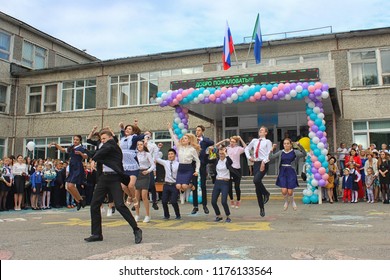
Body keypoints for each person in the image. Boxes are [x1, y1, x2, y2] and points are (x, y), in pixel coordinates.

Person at [84, 129, 142, 244]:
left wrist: (94, 159)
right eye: (101, 139)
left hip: (115, 178)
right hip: (103, 179)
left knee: (120, 205)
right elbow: (98, 153)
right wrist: (85, 153)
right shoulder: (104, 147)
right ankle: (96, 234)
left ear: (110, 137)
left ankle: (136, 229)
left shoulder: (112, 145)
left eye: (104, 138)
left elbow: (102, 151)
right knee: (94, 204)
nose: (103, 141)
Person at [50, 135, 88, 210]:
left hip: (78, 167)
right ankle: (79, 200)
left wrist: (80, 153)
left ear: (80, 140)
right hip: (72, 167)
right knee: (68, 187)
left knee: (70, 185)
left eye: (77, 140)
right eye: (74, 139)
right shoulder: (71, 147)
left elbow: (86, 157)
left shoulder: (82, 148)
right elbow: (63, 150)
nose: (75, 141)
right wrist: (55, 144)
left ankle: (80, 200)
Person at [269, 138, 306, 210]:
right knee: (284, 191)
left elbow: (304, 154)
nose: (286, 145)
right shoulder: (280, 152)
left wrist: (300, 146)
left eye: (287, 143)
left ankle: (292, 201)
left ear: (291, 144)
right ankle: (286, 202)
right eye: (284, 144)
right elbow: (271, 157)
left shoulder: (294, 152)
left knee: (290, 192)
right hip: (282, 171)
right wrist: (272, 148)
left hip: (291, 171)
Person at [244, 126, 272, 217]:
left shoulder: (267, 142)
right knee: (257, 188)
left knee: (256, 180)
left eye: (262, 130)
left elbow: (269, 154)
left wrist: (264, 162)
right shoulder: (254, 141)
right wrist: (249, 157)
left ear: (266, 133)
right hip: (256, 162)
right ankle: (261, 208)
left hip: (264, 162)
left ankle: (266, 193)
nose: (260, 131)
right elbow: (247, 149)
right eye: (259, 130)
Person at [167, 122, 200, 193]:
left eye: (186, 138)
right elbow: (173, 137)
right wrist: (170, 129)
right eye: (183, 138)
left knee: (184, 186)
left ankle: (191, 185)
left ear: (189, 141)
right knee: (178, 186)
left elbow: (197, 161)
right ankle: (188, 186)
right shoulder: (179, 147)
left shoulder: (192, 149)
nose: (184, 139)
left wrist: (197, 171)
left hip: (188, 168)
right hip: (181, 168)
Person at [119, 121, 146, 207]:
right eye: (127, 129)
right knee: (123, 186)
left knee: (131, 186)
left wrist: (145, 139)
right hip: (124, 164)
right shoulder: (123, 138)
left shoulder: (133, 138)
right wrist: (122, 127)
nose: (127, 130)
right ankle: (130, 196)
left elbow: (143, 135)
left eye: (129, 129)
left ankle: (134, 198)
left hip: (133, 164)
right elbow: (122, 132)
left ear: (132, 131)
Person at [215, 136, 247, 208]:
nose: (231, 143)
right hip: (229, 169)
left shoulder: (238, 148)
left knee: (237, 187)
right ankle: (232, 200)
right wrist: (224, 140)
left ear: (236, 142)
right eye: (231, 141)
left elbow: (246, 148)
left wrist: (241, 139)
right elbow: (216, 146)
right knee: (229, 187)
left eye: (233, 142)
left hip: (237, 169)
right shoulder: (227, 148)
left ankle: (238, 200)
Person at [193, 125, 214, 214]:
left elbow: (212, 142)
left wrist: (201, 140)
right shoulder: (192, 140)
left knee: (203, 185)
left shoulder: (205, 140)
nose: (197, 132)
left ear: (202, 131)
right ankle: (195, 206)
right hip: (193, 164)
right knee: (194, 185)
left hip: (202, 164)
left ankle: (204, 205)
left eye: (199, 130)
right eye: (196, 130)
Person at [211, 147, 236, 223]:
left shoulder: (227, 161)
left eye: (223, 153)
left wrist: (226, 154)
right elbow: (209, 159)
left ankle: (228, 216)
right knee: (213, 201)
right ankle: (218, 215)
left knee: (223, 201)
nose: (221, 155)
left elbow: (231, 162)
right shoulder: (217, 161)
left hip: (225, 182)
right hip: (217, 182)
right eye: (220, 153)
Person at [156, 148, 181, 220]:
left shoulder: (178, 164)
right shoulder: (165, 162)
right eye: (169, 154)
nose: (170, 155)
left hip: (174, 184)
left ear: (175, 155)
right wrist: (158, 148)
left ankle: (177, 214)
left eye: (172, 154)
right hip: (166, 184)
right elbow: (156, 158)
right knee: (164, 201)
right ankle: (166, 215)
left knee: (173, 201)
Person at [134, 140, 155, 223]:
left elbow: (153, 165)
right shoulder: (135, 154)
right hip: (137, 174)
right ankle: (137, 214)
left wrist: (148, 171)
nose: (139, 146)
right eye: (138, 144)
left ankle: (147, 215)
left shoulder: (147, 154)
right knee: (136, 196)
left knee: (144, 196)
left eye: (141, 144)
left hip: (145, 173)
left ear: (144, 145)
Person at [144, 130, 159, 210]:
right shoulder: (140, 144)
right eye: (145, 134)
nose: (146, 135)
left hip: (150, 167)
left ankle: (154, 202)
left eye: (148, 134)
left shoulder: (153, 145)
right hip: (141, 167)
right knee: (140, 186)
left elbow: (155, 156)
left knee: (152, 185)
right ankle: (137, 202)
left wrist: (154, 169)